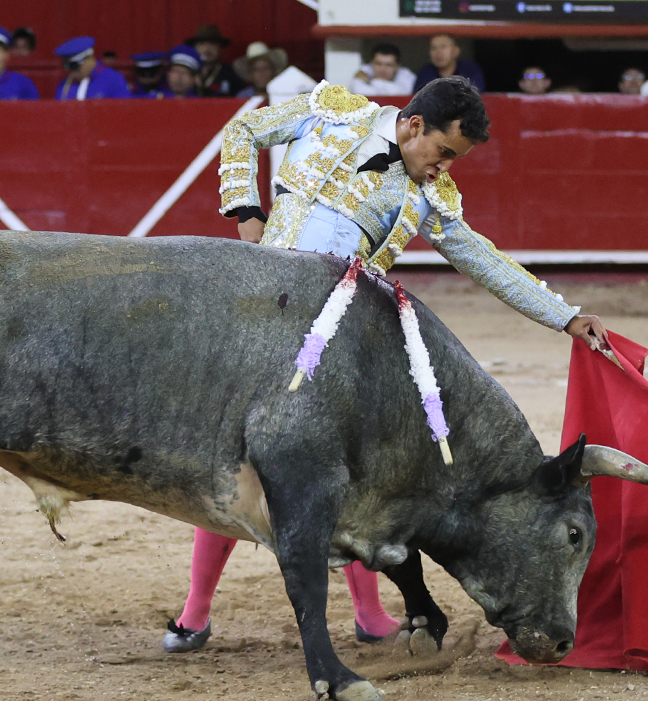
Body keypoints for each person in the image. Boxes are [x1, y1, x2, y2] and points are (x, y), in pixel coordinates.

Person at [162, 77, 609, 654]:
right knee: (238, 463)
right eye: (443, 152)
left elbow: (484, 259)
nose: (444, 168)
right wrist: (246, 211)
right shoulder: (333, 112)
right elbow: (244, 129)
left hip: (336, 345)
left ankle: (369, 614)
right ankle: (196, 611)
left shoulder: (431, 196)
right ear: (414, 125)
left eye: (454, 159)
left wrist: (564, 316)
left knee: (346, 471)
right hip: (260, 325)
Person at [52, 35, 130, 100]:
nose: (73, 73)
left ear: (89, 59)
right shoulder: (65, 85)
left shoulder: (113, 80)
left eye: (75, 67)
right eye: (69, 68)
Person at [186, 24, 245, 97]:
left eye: (212, 44)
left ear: (220, 48)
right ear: (195, 47)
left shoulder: (230, 74)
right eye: (202, 43)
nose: (207, 49)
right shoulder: (187, 72)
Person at [414, 34, 485, 93]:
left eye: (443, 47)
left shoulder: (470, 70)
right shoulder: (425, 72)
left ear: (456, 51)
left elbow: (475, 97)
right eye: (433, 48)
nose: (438, 52)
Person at [351, 43, 416, 96]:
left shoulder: (406, 74)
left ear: (398, 66)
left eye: (389, 65)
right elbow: (361, 93)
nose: (383, 69)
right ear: (371, 63)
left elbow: (402, 93)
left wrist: (371, 81)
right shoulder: (364, 70)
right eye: (378, 64)